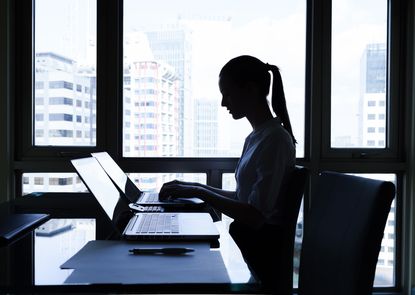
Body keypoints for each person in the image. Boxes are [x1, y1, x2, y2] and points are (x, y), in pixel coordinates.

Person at [159, 55, 296, 293]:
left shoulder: (275, 140)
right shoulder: (258, 137)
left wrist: (199, 191)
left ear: (251, 90)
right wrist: (193, 186)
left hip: (261, 251)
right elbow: (244, 199)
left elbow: (254, 215)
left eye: (228, 94)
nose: (224, 103)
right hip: (252, 244)